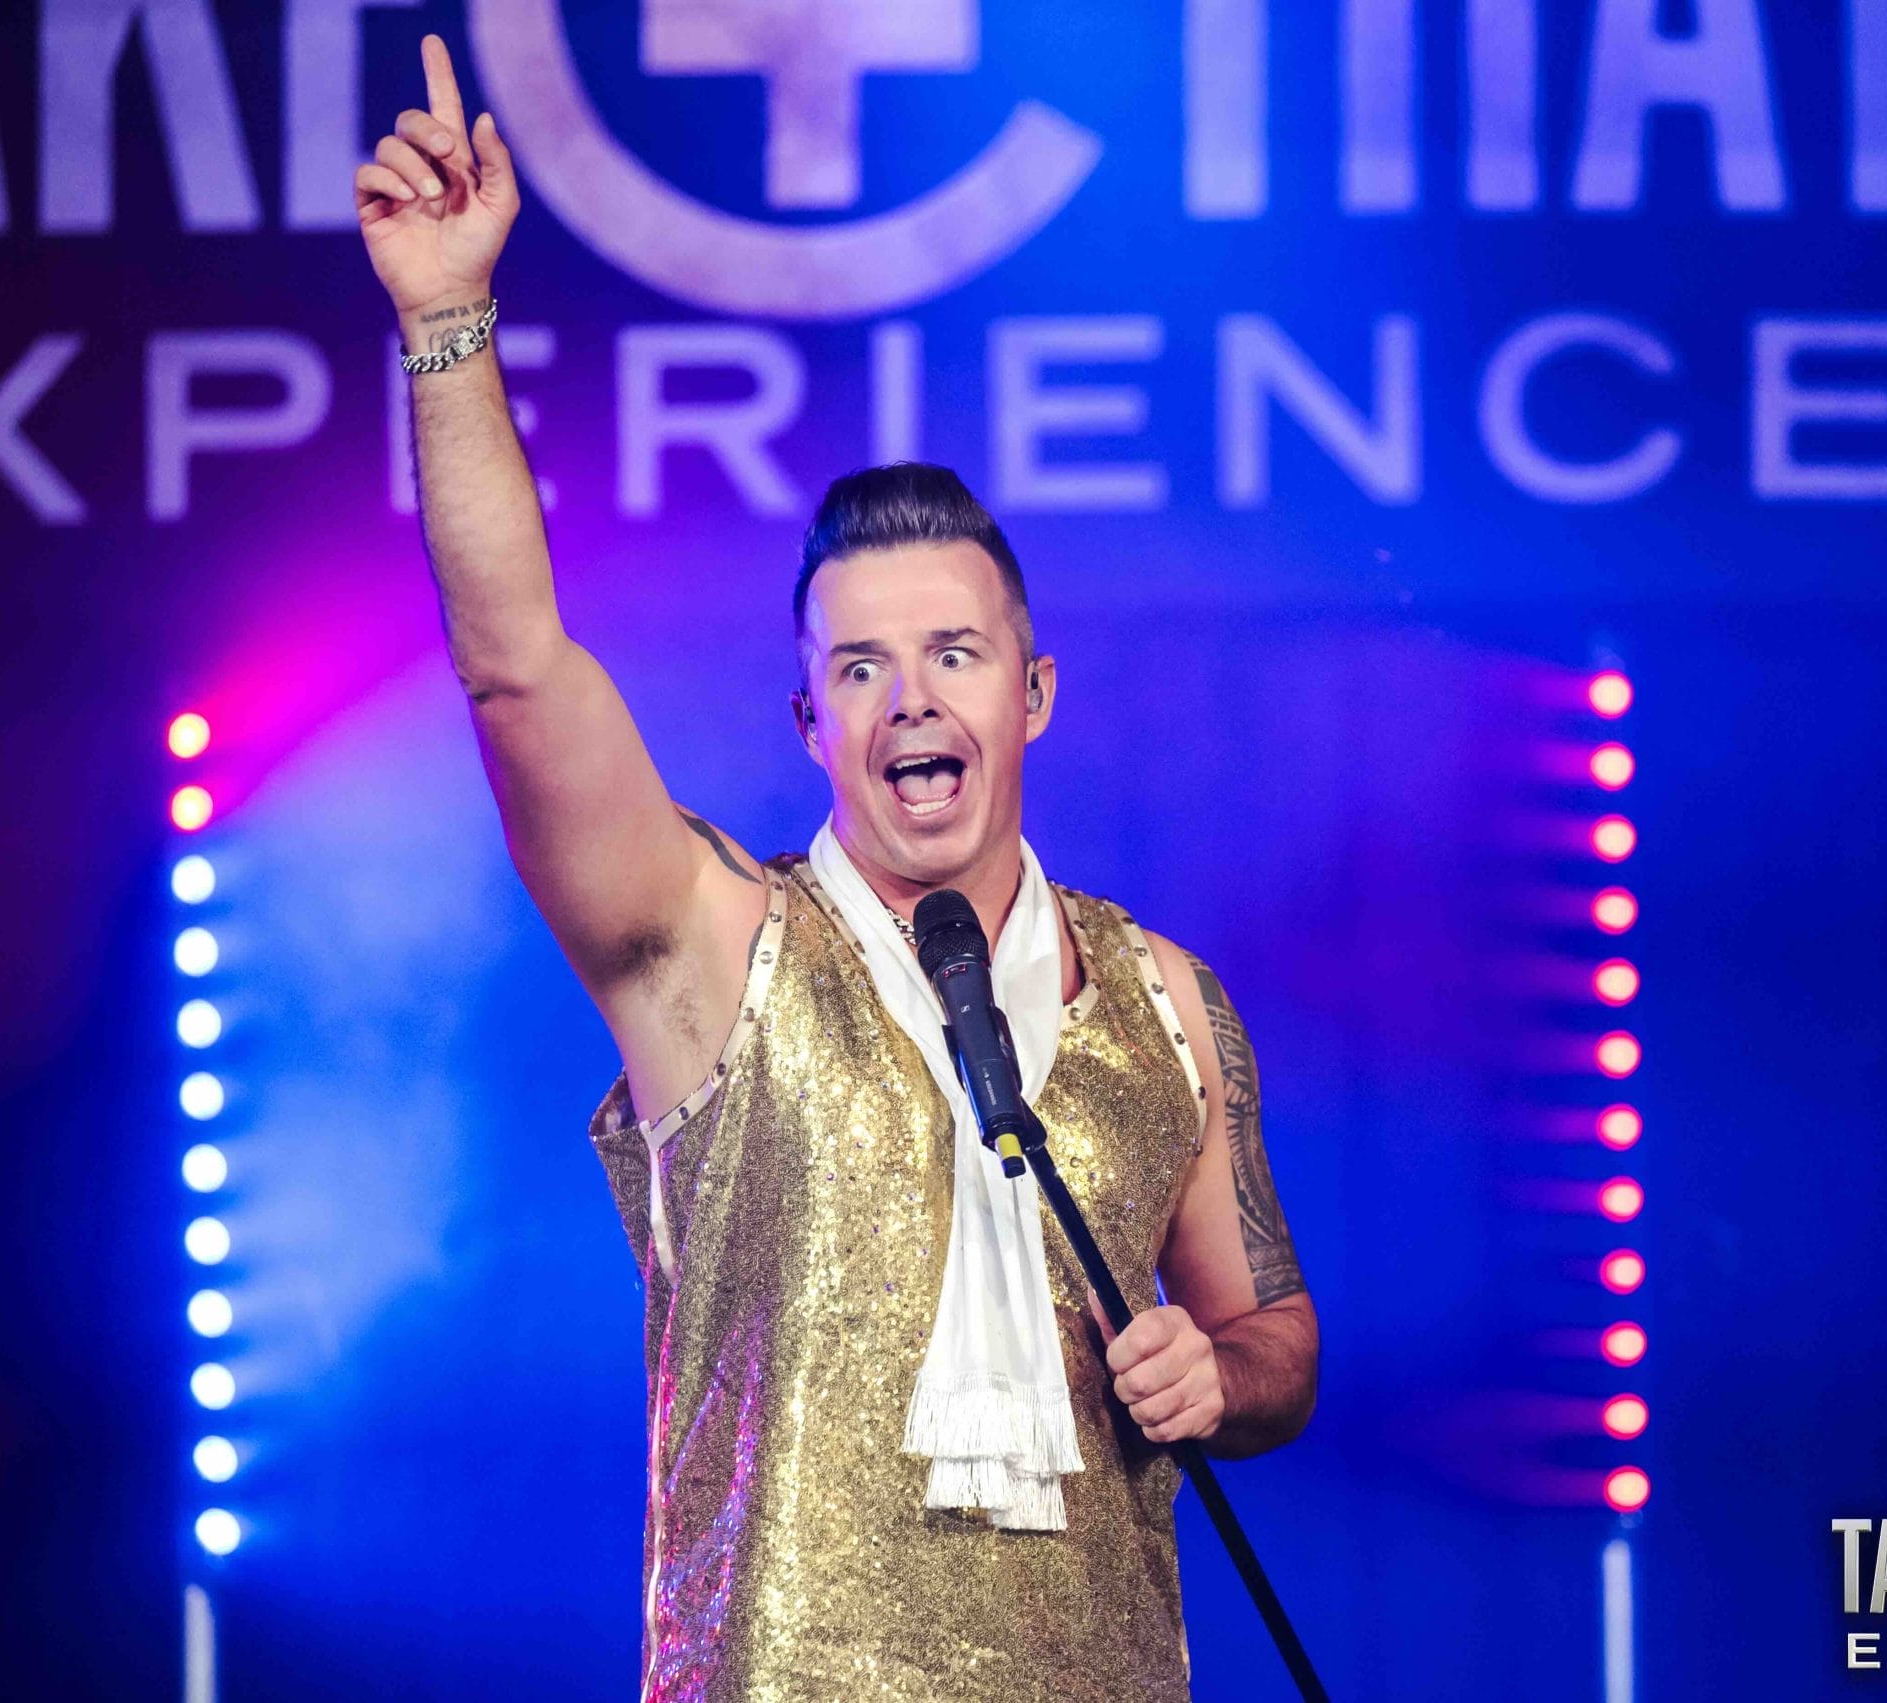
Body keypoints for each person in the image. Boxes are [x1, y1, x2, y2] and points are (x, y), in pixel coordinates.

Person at [355, 36, 1317, 1701]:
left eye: (954, 654)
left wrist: (1220, 1377)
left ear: (1033, 697)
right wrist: (449, 323)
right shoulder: (716, 953)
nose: (911, 700)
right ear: (811, 721)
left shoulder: (1164, 1001)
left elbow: (1278, 1335)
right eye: (861, 668)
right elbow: (516, 674)